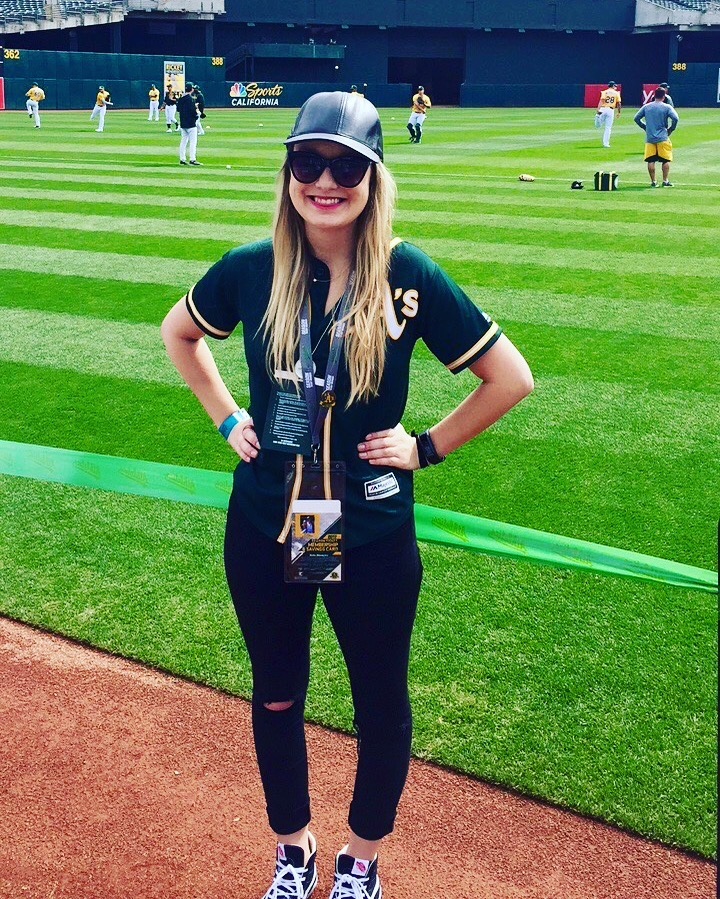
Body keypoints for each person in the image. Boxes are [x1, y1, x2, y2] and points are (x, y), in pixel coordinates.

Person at [161, 90, 533, 899]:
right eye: (308, 161)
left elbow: (510, 377)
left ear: (373, 176)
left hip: (365, 527)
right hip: (271, 518)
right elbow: (177, 333)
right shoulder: (250, 268)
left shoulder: (407, 276)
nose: (324, 181)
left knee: (378, 702)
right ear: (288, 169)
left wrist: (425, 446)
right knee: (277, 692)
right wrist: (227, 417)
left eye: (346, 166)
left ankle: (360, 859)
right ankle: (293, 849)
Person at [633, 86, 679, 187]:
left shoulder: (646, 107)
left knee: (650, 160)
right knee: (665, 160)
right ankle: (665, 180)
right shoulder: (667, 107)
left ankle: (653, 181)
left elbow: (636, 118)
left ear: (654, 95)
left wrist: (645, 127)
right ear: (664, 96)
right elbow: (675, 118)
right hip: (663, 137)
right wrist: (671, 129)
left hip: (650, 138)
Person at [176, 83, 201, 166]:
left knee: (183, 141)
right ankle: (192, 159)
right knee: (193, 142)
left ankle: (182, 159)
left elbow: (178, 109)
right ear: (192, 89)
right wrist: (197, 115)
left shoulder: (181, 98)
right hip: (191, 123)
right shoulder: (190, 99)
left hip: (183, 123)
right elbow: (193, 112)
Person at [596, 80, 621, 148]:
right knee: (608, 128)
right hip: (610, 110)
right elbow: (619, 103)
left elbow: (601, 101)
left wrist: (598, 109)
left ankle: (597, 117)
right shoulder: (616, 93)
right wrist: (618, 112)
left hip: (603, 108)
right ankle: (606, 144)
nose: (615, 87)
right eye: (615, 86)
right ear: (612, 86)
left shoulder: (604, 92)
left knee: (598, 125)